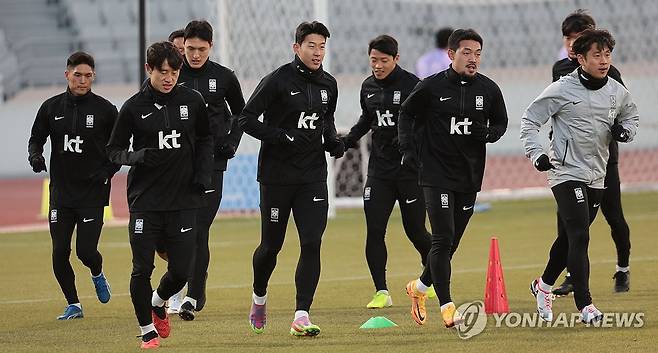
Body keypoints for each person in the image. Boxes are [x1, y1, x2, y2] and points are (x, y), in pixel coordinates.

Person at [521, 29, 639, 324]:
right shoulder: (562, 89)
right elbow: (529, 120)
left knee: (568, 238)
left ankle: (543, 285)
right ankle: (585, 305)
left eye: (607, 55)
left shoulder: (616, 90)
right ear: (580, 58)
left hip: (597, 174)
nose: (603, 61)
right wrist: (537, 154)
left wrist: (624, 132)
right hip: (564, 171)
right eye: (597, 55)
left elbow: (630, 116)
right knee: (580, 234)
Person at [238, 20, 344, 337]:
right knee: (272, 246)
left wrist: (333, 141)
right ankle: (259, 297)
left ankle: (301, 314)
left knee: (312, 242)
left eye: (322, 46)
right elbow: (245, 119)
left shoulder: (329, 85)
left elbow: (325, 121)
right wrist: (282, 137)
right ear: (296, 47)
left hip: (312, 176)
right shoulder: (277, 80)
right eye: (311, 45)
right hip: (277, 176)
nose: (317, 52)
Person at [399, 28, 508, 328]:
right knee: (443, 238)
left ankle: (419, 288)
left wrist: (488, 134)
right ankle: (447, 306)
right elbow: (406, 115)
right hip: (435, 173)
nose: (473, 59)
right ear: (451, 54)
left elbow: (500, 122)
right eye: (467, 53)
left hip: (469, 175)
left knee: (452, 243)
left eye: (478, 53)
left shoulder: (488, 90)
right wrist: (408, 149)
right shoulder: (431, 87)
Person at [107, 41, 212, 349]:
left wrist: (203, 175)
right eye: (163, 72)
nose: (169, 78)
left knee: (181, 271)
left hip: (183, 200)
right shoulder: (132, 107)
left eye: (175, 71)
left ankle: (158, 302)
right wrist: (137, 156)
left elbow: (205, 138)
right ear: (148, 69)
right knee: (141, 268)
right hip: (145, 202)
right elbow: (113, 151)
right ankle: (146, 331)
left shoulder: (192, 101)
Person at [341, 35, 432, 309]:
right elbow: (366, 120)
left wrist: (410, 145)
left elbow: (427, 123)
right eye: (373, 60)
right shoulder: (368, 86)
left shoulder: (413, 85)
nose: (378, 66)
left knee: (415, 230)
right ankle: (381, 291)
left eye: (383, 60)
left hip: (409, 171)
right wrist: (345, 141)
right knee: (374, 230)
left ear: (396, 59)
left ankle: (431, 280)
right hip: (379, 172)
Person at [28, 51, 118, 320]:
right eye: (77, 75)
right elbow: (36, 138)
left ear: (93, 77)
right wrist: (35, 156)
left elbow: (119, 148)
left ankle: (97, 273)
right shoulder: (51, 108)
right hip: (61, 194)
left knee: (86, 252)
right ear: (67, 74)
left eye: (87, 76)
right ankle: (74, 304)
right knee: (59, 252)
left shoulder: (105, 110)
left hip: (92, 193)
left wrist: (107, 172)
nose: (82, 80)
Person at [167, 19, 245, 321]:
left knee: (198, 230)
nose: (195, 55)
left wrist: (232, 142)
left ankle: (193, 295)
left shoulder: (224, 78)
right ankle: (174, 288)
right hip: (177, 165)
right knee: (176, 231)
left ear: (211, 47)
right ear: (182, 45)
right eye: (190, 49)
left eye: (201, 49)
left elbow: (242, 113)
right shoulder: (172, 74)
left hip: (212, 164)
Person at [551, 9, 632, 295]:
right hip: (570, 163)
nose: (572, 46)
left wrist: (620, 129)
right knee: (570, 225)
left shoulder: (611, 74)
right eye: (568, 40)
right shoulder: (560, 70)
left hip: (602, 161)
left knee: (614, 217)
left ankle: (623, 268)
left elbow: (623, 111)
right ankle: (574, 278)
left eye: (578, 39)